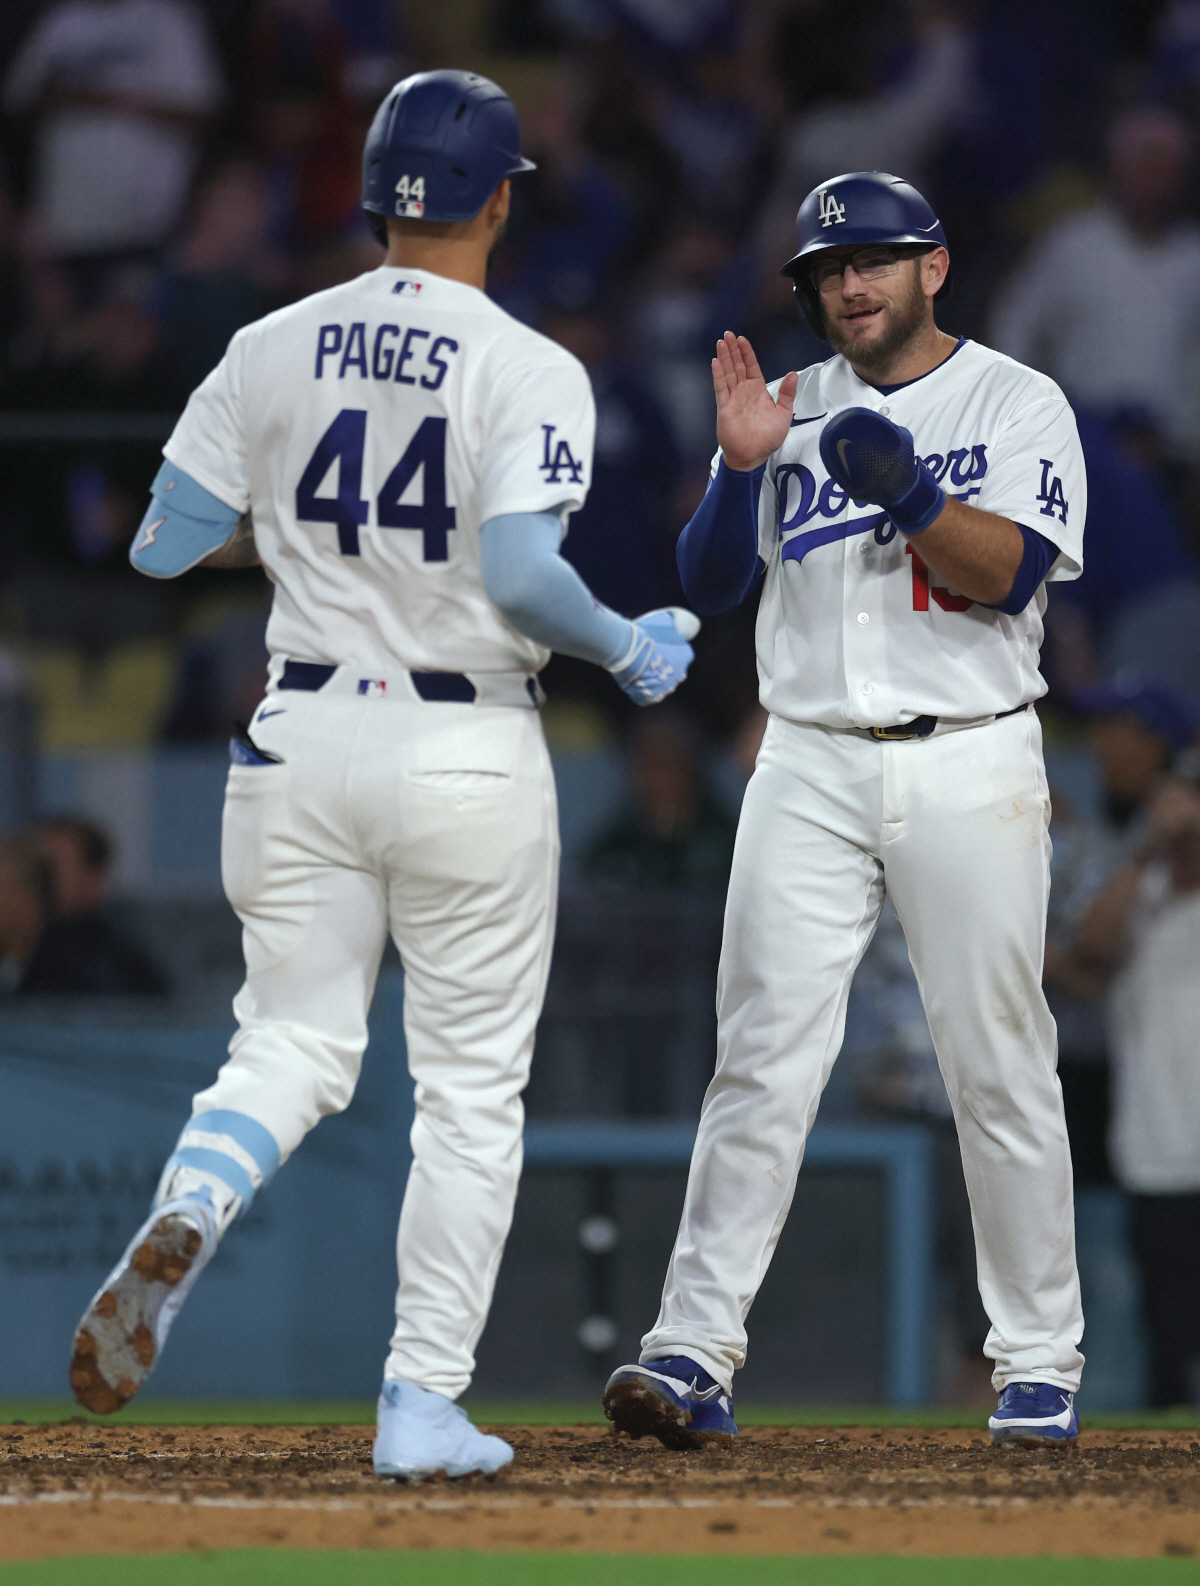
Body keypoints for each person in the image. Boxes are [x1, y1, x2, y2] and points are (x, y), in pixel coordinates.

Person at [68, 70, 699, 1480]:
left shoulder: (271, 340)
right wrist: (627, 648)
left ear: (371, 194)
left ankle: (190, 1202)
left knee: (288, 1045)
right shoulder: (528, 362)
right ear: (498, 197)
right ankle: (419, 1404)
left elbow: (161, 545)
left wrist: (298, 539)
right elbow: (528, 576)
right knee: (470, 1091)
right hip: (465, 738)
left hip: (296, 733)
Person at [603, 171, 1087, 1449]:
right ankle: (690, 1350)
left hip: (970, 752)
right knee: (759, 1055)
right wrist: (737, 466)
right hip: (808, 754)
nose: (846, 287)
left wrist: (918, 497)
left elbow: (1011, 576)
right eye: (826, 271)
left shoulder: (1015, 399)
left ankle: (1037, 1362)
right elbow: (708, 582)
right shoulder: (793, 403)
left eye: (870, 262)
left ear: (933, 265)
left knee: (995, 1059)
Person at [1069, 771, 1200, 1407]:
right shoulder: (1140, 896)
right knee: (1168, 1335)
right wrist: (1149, 848)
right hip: (1159, 1150)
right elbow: (1091, 945)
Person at [990, 107, 1200, 461]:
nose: (1154, 178)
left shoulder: (1192, 258)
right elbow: (1016, 326)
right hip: (1080, 442)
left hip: (1169, 452)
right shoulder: (1072, 243)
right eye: (1144, 164)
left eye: (1165, 167)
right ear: (1119, 167)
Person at [20, 817, 167, 995]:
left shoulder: (118, 962)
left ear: (95, 876)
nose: (37, 876)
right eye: (32, 864)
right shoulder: (18, 946)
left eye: (51, 865)